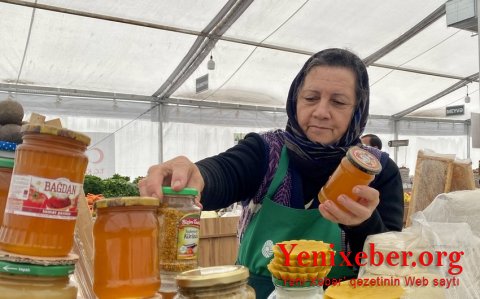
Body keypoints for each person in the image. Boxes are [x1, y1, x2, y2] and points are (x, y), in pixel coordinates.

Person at [139, 48, 404, 299]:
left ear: (358, 109)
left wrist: (364, 225)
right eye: (310, 98)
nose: (321, 112)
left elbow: (388, 264)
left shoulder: (376, 171)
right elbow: (223, 172)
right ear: (295, 100)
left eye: (338, 102)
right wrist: (195, 176)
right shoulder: (266, 152)